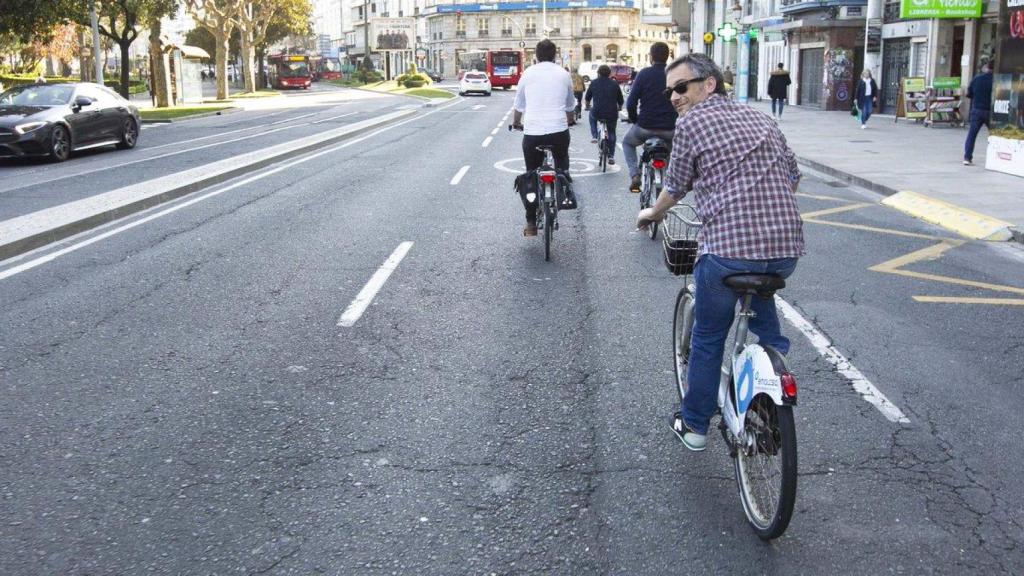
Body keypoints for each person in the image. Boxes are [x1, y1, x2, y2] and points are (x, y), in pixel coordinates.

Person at [636, 53, 804, 452]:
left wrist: (649, 214)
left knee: (709, 337)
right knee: (761, 301)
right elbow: (793, 175)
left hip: (728, 253)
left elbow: (675, 187)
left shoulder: (693, 121)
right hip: (784, 252)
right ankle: (773, 366)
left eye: (681, 88)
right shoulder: (763, 118)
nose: (675, 97)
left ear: (708, 84)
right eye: (669, 91)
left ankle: (694, 425)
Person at [512, 39, 577, 237]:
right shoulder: (563, 73)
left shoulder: (528, 73)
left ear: (537, 56)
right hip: (558, 130)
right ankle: (564, 183)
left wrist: (517, 123)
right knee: (561, 158)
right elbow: (570, 104)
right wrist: (570, 120)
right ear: (555, 55)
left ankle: (531, 222)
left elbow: (519, 104)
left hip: (532, 132)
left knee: (531, 174)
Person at [623, 42, 678, 193]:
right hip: (669, 129)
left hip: (645, 127)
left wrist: (635, 120)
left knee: (627, 143)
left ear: (650, 57)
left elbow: (631, 103)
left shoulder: (644, 74)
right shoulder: (674, 74)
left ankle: (635, 174)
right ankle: (673, 179)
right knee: (675, 153)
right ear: (668, 56)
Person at [585, 65, 624, 164]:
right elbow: (620, 100)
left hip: (597, 111)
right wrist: (619, 107)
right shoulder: (614, 84)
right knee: (611, 132)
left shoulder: (594, 83)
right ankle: (611, 156)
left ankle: (594, 136)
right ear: (609, 74)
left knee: (591, 116)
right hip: (611, 113)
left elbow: (587, 97)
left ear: (598, 73)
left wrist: (587, 105)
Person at [963, 61, 993, 166]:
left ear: (986, 67)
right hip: (991, 111)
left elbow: (969, 93)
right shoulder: (997, 80)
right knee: (994, 136)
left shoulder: (977, 79)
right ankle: (994, 157)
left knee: (972, 134)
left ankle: (967, 157)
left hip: (977, 110)